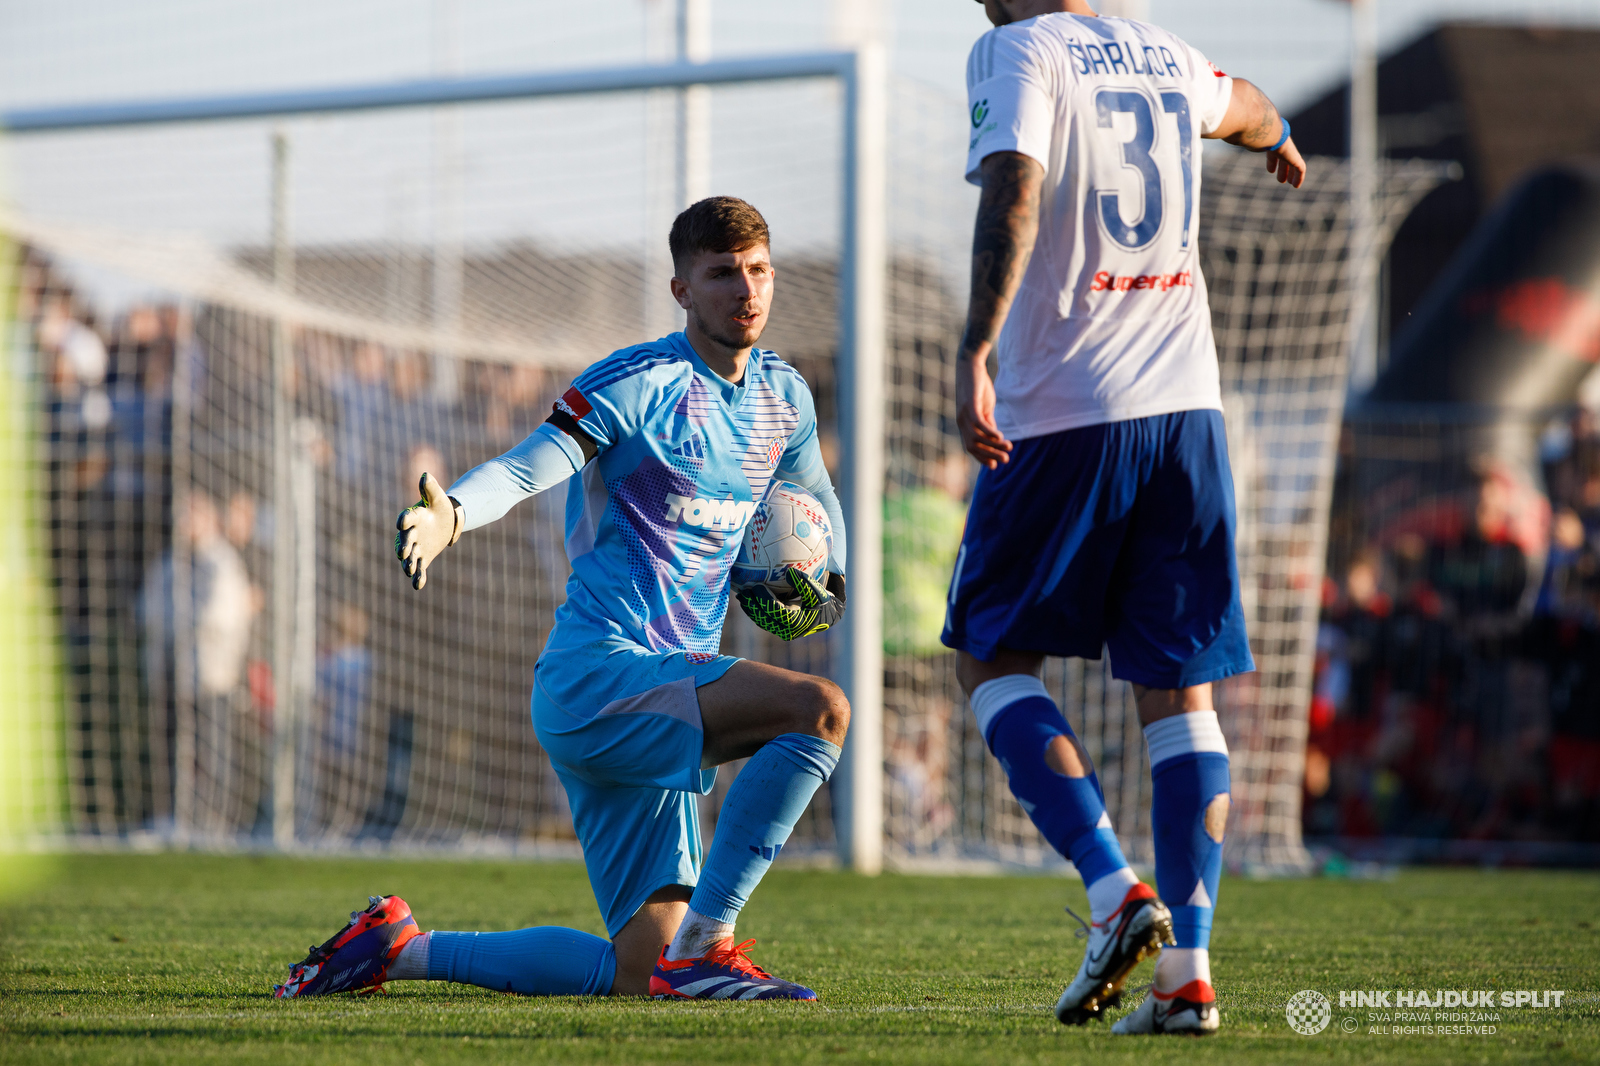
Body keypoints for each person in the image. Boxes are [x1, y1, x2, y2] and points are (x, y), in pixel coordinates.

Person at [274, 196, 850, 1002]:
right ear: (682, 289)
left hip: (664, 690)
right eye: (721, 274)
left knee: (637, 973)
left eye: (757, 271)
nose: (744, 290)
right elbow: (525, 466)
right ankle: (709, 947)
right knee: (820, 710)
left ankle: (398, 949)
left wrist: (828, 585)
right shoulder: (638, 382)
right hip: (604, 677)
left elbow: (814, 499)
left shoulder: (784, 398)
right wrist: (452, 514)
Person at [944, 0, 1307, 1036]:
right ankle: (1186, 975)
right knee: (1177, 688)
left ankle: (1113, 892)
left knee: (990, 656)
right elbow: (1245, 106)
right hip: (1187, 411)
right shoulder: (1162, 50)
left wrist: (975, 346)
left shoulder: (1015, 49)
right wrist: (1278, 137)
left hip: (1065, 408)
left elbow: (1015, 184)